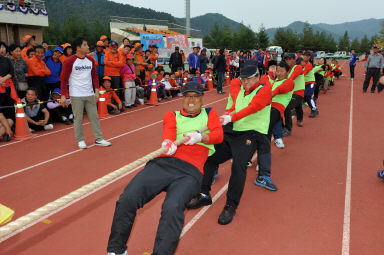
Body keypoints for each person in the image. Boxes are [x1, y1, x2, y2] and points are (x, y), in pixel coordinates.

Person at [106, 81, 223, 255]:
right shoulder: (171, 115)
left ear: (202, 98)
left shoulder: (209, 113)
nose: (192, 100)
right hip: (163, 164)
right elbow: (168, 132)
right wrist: (168, 142)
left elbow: (218, 135)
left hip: (189, 172)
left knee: (172, 208)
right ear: (182, 98)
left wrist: (200, 137)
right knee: (127, 199)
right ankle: (116, 250)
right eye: (188, 96)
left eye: (196, 96)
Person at [187, 65, 274, 225]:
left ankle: (231, 205)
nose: (245, 82)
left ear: (257, 77)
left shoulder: (264, 90)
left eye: (248, 78)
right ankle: (204, 195)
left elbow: (254, 108)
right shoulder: (241, 90)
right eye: (243, 79)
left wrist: (232, 118)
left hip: (251, 134)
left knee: (238, 166)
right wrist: (224, 117)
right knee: (210, 157)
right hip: (234, 130)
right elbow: (235, 107)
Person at [60, 36, 111, 149]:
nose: (88, 47)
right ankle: (80, 140)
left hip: (89, 93)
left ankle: (99, 139)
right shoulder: (69, 61)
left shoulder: (91, 60)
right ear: (78, 48)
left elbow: (95, 77)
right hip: (76, 94)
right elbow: (63, 79)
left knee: (94, 117)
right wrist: (63, 95)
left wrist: (96, 91)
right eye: (85, 45)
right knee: (78, 118)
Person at [282, 53, 305, 134]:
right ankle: (299, 119)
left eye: (289, 58)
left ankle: (288, 128)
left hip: (298, 93)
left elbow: (290, 79)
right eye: (286, 59)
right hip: (290, 93)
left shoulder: (298, 67)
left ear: (294, 59)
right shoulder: (287, 70)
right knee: (298, 107)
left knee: (286, 106)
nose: (287, 60)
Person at [301, 51, 319, 117]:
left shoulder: (309, 65)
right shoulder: (300, 64)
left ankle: (314, 109)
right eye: (306, 55)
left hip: (310, 83)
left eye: (308, 56)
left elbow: (303, 73)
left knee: (307, 95)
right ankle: (297, 109)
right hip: (303, 84)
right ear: (303, 56)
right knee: (300, 96)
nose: (307, 57)